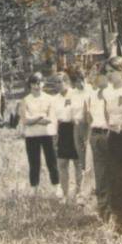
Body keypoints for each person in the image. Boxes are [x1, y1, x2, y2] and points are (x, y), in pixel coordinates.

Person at [19, 72, 61, 196]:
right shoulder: (25, 100)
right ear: (30, 85)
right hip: (31, 136)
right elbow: (25, 120)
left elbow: (51, 119)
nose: (37, 86)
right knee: (34, 163)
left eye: (39, 83)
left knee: (52, 162)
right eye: (34, 83)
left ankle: (56, 187)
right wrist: (40, 117)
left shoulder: (50, 99)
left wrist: (34, 119)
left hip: (47, 134)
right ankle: (34, 189)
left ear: (43, 83)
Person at [103, 56, 122, 229]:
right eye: (106, 72)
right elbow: (107, 114)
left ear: (121, 71)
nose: (109, 75)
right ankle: (119, 218)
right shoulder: (107, 92)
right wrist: (112, 126)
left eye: (112, 71)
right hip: (114, 136)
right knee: (115, 178)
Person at [85, 64, 111, 219]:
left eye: (98, 75)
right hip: (96, 135)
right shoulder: (92, 95)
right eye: (94, 75)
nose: (95, 78)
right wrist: (89, 138)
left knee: (113, 174)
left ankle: (116, 210)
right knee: (100, 176)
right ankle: (103, 212)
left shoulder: (112, 93)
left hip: (110, 135)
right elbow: (90, 119)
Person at [54, 71, 85, 203]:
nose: (58, 84)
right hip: (62, 130)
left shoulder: (75, 94)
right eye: (56, 82)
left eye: (60, 81)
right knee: (62, 163)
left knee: (78, 163)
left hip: (75, 128)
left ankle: (79, 194)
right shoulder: (55, 98)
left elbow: (79, 112)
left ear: (67, 82)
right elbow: (54, 118)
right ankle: (65, 195)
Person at [71, 68, 92, 173]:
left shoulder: (90, 90)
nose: (81, 83)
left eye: (82, 79)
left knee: (87, 147)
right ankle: (83, 168)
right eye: (78, 81)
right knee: (78, 147)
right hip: (77, 123)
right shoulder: (73, 93)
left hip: (88, 123)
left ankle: (88, 168)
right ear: (74, 83)